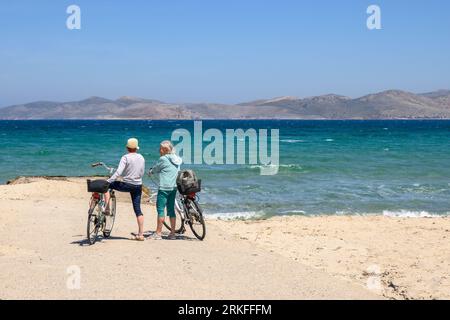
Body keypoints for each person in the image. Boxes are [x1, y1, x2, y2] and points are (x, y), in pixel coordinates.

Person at [106, 138, 146, 241]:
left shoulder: (125, 157)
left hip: (127, 184)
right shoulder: (141, 157)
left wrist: (110, 180)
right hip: (138, 185)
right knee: (138, 210)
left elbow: (119, 172)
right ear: (136, 148)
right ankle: (141, 234)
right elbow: (142, 172)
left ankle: (107, 208)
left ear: (127, 148)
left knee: (107, 186)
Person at [149, 140, 182, 240]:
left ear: (164, 150)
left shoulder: (163, 159)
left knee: (160, 209)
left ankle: (158, 233)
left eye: (160, 148)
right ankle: (172, 234)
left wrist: (151, 171)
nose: (159, 150)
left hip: (164, 187)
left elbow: (156, 169)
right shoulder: (177, 159)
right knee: (171, 210)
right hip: (174, 187)